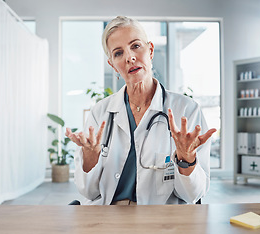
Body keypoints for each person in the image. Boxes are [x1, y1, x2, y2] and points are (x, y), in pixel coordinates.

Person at [65, 16, 216, 205]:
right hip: (108, 216)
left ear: (150, 50)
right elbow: (88, 191)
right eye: (118, 53)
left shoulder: (186, 110)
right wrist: (89, 158)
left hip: (160, 220)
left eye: (135, 46)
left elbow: (193, 195)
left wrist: (187, 159)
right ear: (112, 64)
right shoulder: (100, 113)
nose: (129, 57)